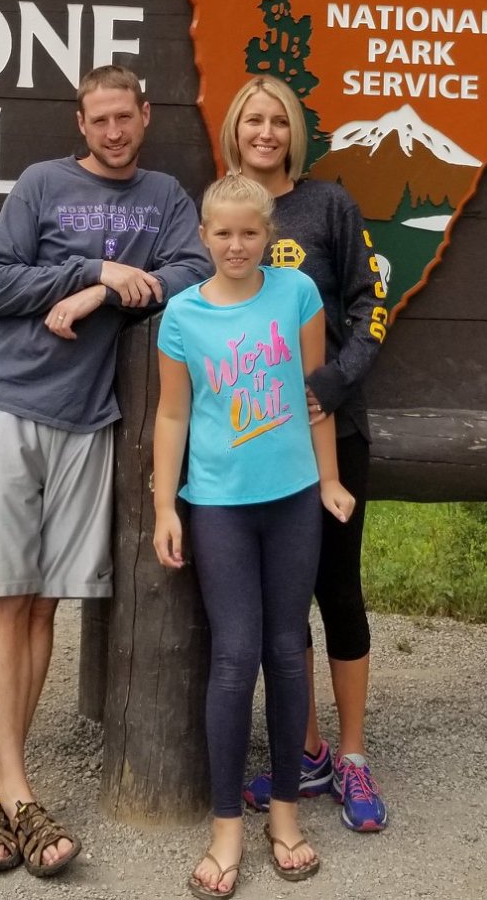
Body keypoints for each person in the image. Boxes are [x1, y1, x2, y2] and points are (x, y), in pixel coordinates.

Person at [0, 62, 213, 878]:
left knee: (43, 605)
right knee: (7, 597)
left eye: (124, 117)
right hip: (7, 402)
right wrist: (93, 272)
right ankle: (21, 791)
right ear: (82, 121)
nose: (112, 131)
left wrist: (104, 300)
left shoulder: (167, 197)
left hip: (88, 417)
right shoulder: (41, 183)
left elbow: (194, 272)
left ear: (147, 113)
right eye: (98, 119)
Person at [154, 172, 355, 896]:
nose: (236, 245)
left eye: (250, 232)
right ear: (204, 237)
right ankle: (224, 829)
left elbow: (314, 395)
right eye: (223, 233)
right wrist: (165, 506)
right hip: (218, 505)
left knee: (287, 652)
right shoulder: (180, 316)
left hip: (295, 497)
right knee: (235, 658)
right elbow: (172, 415)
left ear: (270, 237)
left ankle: (285, 817)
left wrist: (329, 479)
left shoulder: (296, 296)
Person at [221, 75, 391, 834]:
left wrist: (333, 379)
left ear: (295, 131)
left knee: (338, 592)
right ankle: (311, 748)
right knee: (278, 608)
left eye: (277, 120)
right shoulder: (222, 209)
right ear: (235, 129)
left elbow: (370, 305)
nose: (265, 132)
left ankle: (353, 757)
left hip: (333, 433)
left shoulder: (330, 205)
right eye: (252, 119)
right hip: (254, 444)